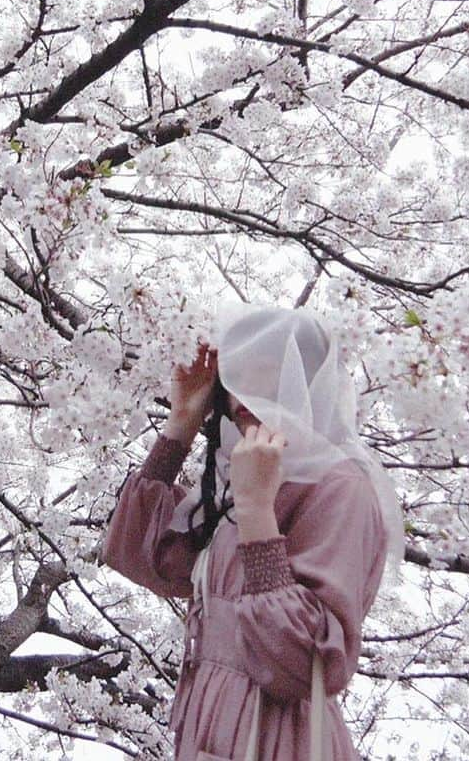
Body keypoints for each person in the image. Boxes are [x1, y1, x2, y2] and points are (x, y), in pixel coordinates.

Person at [101, 306, 403, 761]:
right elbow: (142, 556)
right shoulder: (236, 482)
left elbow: (308, 661)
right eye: (240, 373)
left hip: (274, 732)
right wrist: (180, 426)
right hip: (210, 718)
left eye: (274, 374)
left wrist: (258, 511)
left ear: (309, 386)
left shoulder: (340, 487)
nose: (247, 391)